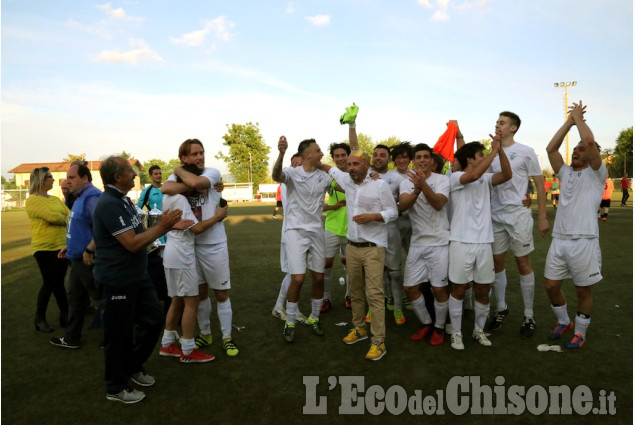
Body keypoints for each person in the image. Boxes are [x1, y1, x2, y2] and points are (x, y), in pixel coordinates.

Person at [93, 156, 189, 404]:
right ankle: (115, 387)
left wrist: (164, 228)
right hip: (117, 280)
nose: (135, 175)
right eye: (130, 171)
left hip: (136, 277)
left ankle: (133, 367)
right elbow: (133, 243)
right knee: (119, 336)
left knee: (154, 320)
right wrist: (165, 225)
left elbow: (139, 233)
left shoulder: (122, 200)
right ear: (117, 177)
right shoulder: (109, 203)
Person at [162, 139, 239, 357]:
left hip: (214, 245)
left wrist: (193, 182)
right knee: (199, 294)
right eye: (194, 154)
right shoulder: (176, 175)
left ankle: (227, 338)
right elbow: (166, 188)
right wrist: (183, 175)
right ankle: (205, 333)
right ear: (184, 158)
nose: (199, 157)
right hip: (190, 248)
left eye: (201, 152)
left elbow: (196, 184)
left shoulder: (212, 172)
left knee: (221, 293)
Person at [318, 150, 398, 361]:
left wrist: (374, 216)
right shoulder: (346, 180)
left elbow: (393, 211)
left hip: (373, 248)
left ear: (366, 165)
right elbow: (329, 168)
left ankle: (378, 340)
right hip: (352, 247)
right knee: (355, 292)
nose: (351, 167)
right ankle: (359, 328)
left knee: (374, 295)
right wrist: (311, 160)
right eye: (350, 164)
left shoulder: (379, 184)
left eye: (355, 164)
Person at [544, 101, 606, 349]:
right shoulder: (565, 173)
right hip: (559, 239)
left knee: (582, 291)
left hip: (584, 241)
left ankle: (580, 332)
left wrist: (579, 118)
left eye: (581, 150)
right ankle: (563, 321)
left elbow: (590, 143)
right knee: (551, 285)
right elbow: (551, 148)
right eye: (575, 149)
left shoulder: (596, 174)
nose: (577, 151)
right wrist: (568, 123)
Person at [486, 111, 549, 339]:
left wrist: (541, 216)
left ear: (513, 128)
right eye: (496, 122)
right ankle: (501, 307)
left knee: (523, 262)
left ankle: (529, 315)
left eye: (502, 122)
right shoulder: (491, 153)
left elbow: (540, 186)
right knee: (496, 263)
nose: (497, 125)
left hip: (518, 215)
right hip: (495, 215)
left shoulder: (526, 151)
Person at [447, 135, 512, 350]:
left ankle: (478, 330)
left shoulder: (486, 179)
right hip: (460, 242)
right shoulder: (455, 176)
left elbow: (507, 174)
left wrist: (500, 150)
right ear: (470, 159)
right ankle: (456, 333)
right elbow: (473, 175)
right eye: (481, 155)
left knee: (483, 289)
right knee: (459, 288)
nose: (485, 157)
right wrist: (494, 151)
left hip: (484, 242)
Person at [272, 136, 331, 343]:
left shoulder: (324, 176)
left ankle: (315, 317)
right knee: (297, 278)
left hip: (316, 231)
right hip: (295, 231)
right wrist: (281, 153)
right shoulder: (292, 173)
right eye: (318, 150)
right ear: (308, 154)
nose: (322, 153)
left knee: (318, 277)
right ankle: (290, 321)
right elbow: (276, 175)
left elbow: (343, 187)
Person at [398, 143, 450, 346]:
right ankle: (426, 323)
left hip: (439, 242)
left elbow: (438, 204)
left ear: (431, 161)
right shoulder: (406, 182)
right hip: (418, 242)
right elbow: (403, 205)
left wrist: (423, 185)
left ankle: (439, 327)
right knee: (409, 287)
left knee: (438, 289)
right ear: (414, 161)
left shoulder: (442, 180)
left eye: (425, 157)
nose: (421, 160)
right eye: (418, 157)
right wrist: (417, 190)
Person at [50, 164, 102, 349]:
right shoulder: (80, 197)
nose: (67, 181)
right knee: (75, 297)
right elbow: (80, 227)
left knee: (103, 297)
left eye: (71, 177)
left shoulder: (92, 198)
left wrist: (89, 250)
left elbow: (102, 229)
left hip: (86, 259)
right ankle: (72, 337)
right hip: (76, 256)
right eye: (67, 177)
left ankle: (117, 336)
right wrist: (70, 246)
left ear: (85, 178)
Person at [25, 167, 70, 333]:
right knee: (50, 282)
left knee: (59, 283)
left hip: (62, 246)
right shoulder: (33, 200)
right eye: (50, 177)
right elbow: (53, 217)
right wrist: (62, 218)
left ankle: (65, 316)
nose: (52, 180)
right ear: (41, 180)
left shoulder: (55, 199)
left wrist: (62, 219)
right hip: (44, 248)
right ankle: (39, 318)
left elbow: (70, 215)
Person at [271, 153, 310, 323]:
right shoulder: (289, 179)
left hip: (301, 232)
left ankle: (281, 307)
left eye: (301, 164)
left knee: (295, 272)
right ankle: (283, 308)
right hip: (291, 232)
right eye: (295, 164)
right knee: (295, 273)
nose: (298, 167)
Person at [321, 142, 351, 312]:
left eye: (343, 155)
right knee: (326, 263)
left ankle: (349, 296)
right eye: (336, 156)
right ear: (333, 158)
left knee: (349, 264)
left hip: (351, 228)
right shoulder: (329, 177)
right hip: (331, 226)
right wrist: (333, 207)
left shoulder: (356, 173)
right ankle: (326, 298)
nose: (340, 158)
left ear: (348, 155)